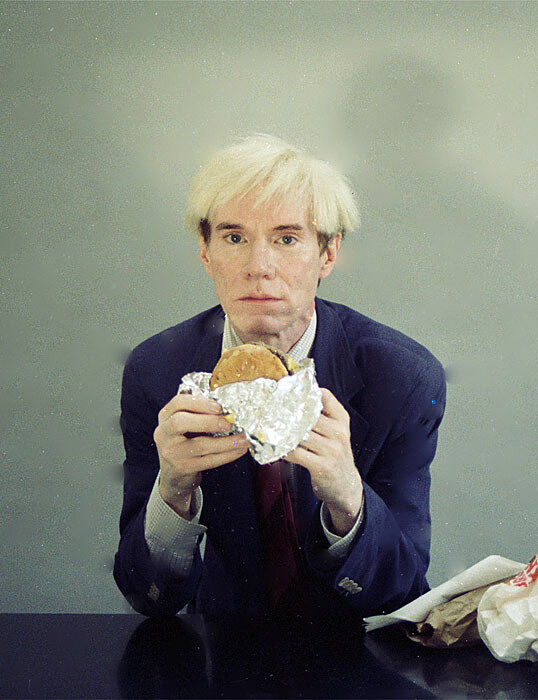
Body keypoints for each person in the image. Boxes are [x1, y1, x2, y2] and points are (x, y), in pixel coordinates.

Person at [113, 134, 446, 619]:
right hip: (222, 658)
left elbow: (403, 594)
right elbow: (148, 596)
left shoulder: (403, 377)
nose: (259, 267)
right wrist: (172, 493)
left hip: (358, 661)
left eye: (286, 239)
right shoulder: (156, 371)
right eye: (234, 238)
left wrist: (349, 499)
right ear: (205, 252)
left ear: (328, 254)